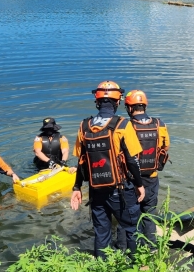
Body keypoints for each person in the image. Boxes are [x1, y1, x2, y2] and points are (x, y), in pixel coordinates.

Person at [70, 81, 146, 257]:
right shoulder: (123, 125)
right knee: (132, 229)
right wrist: (139, 184)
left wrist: (77, 188)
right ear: (118, 102)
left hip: (96, 191)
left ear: (97, 102)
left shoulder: (84, 126)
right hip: (120, 190)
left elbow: (81, 161)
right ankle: (136, 267)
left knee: (101, 233)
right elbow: (132, 161)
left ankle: (101, 270)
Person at [121, 90, 170, 246]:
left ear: (129, 108)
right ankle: (151, 245)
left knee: (127, 214)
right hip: (152, 176)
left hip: (130, 178)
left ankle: (126, 248)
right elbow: (165, 147)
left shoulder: (124, 126)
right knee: (149, 212)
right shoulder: (159, 124)